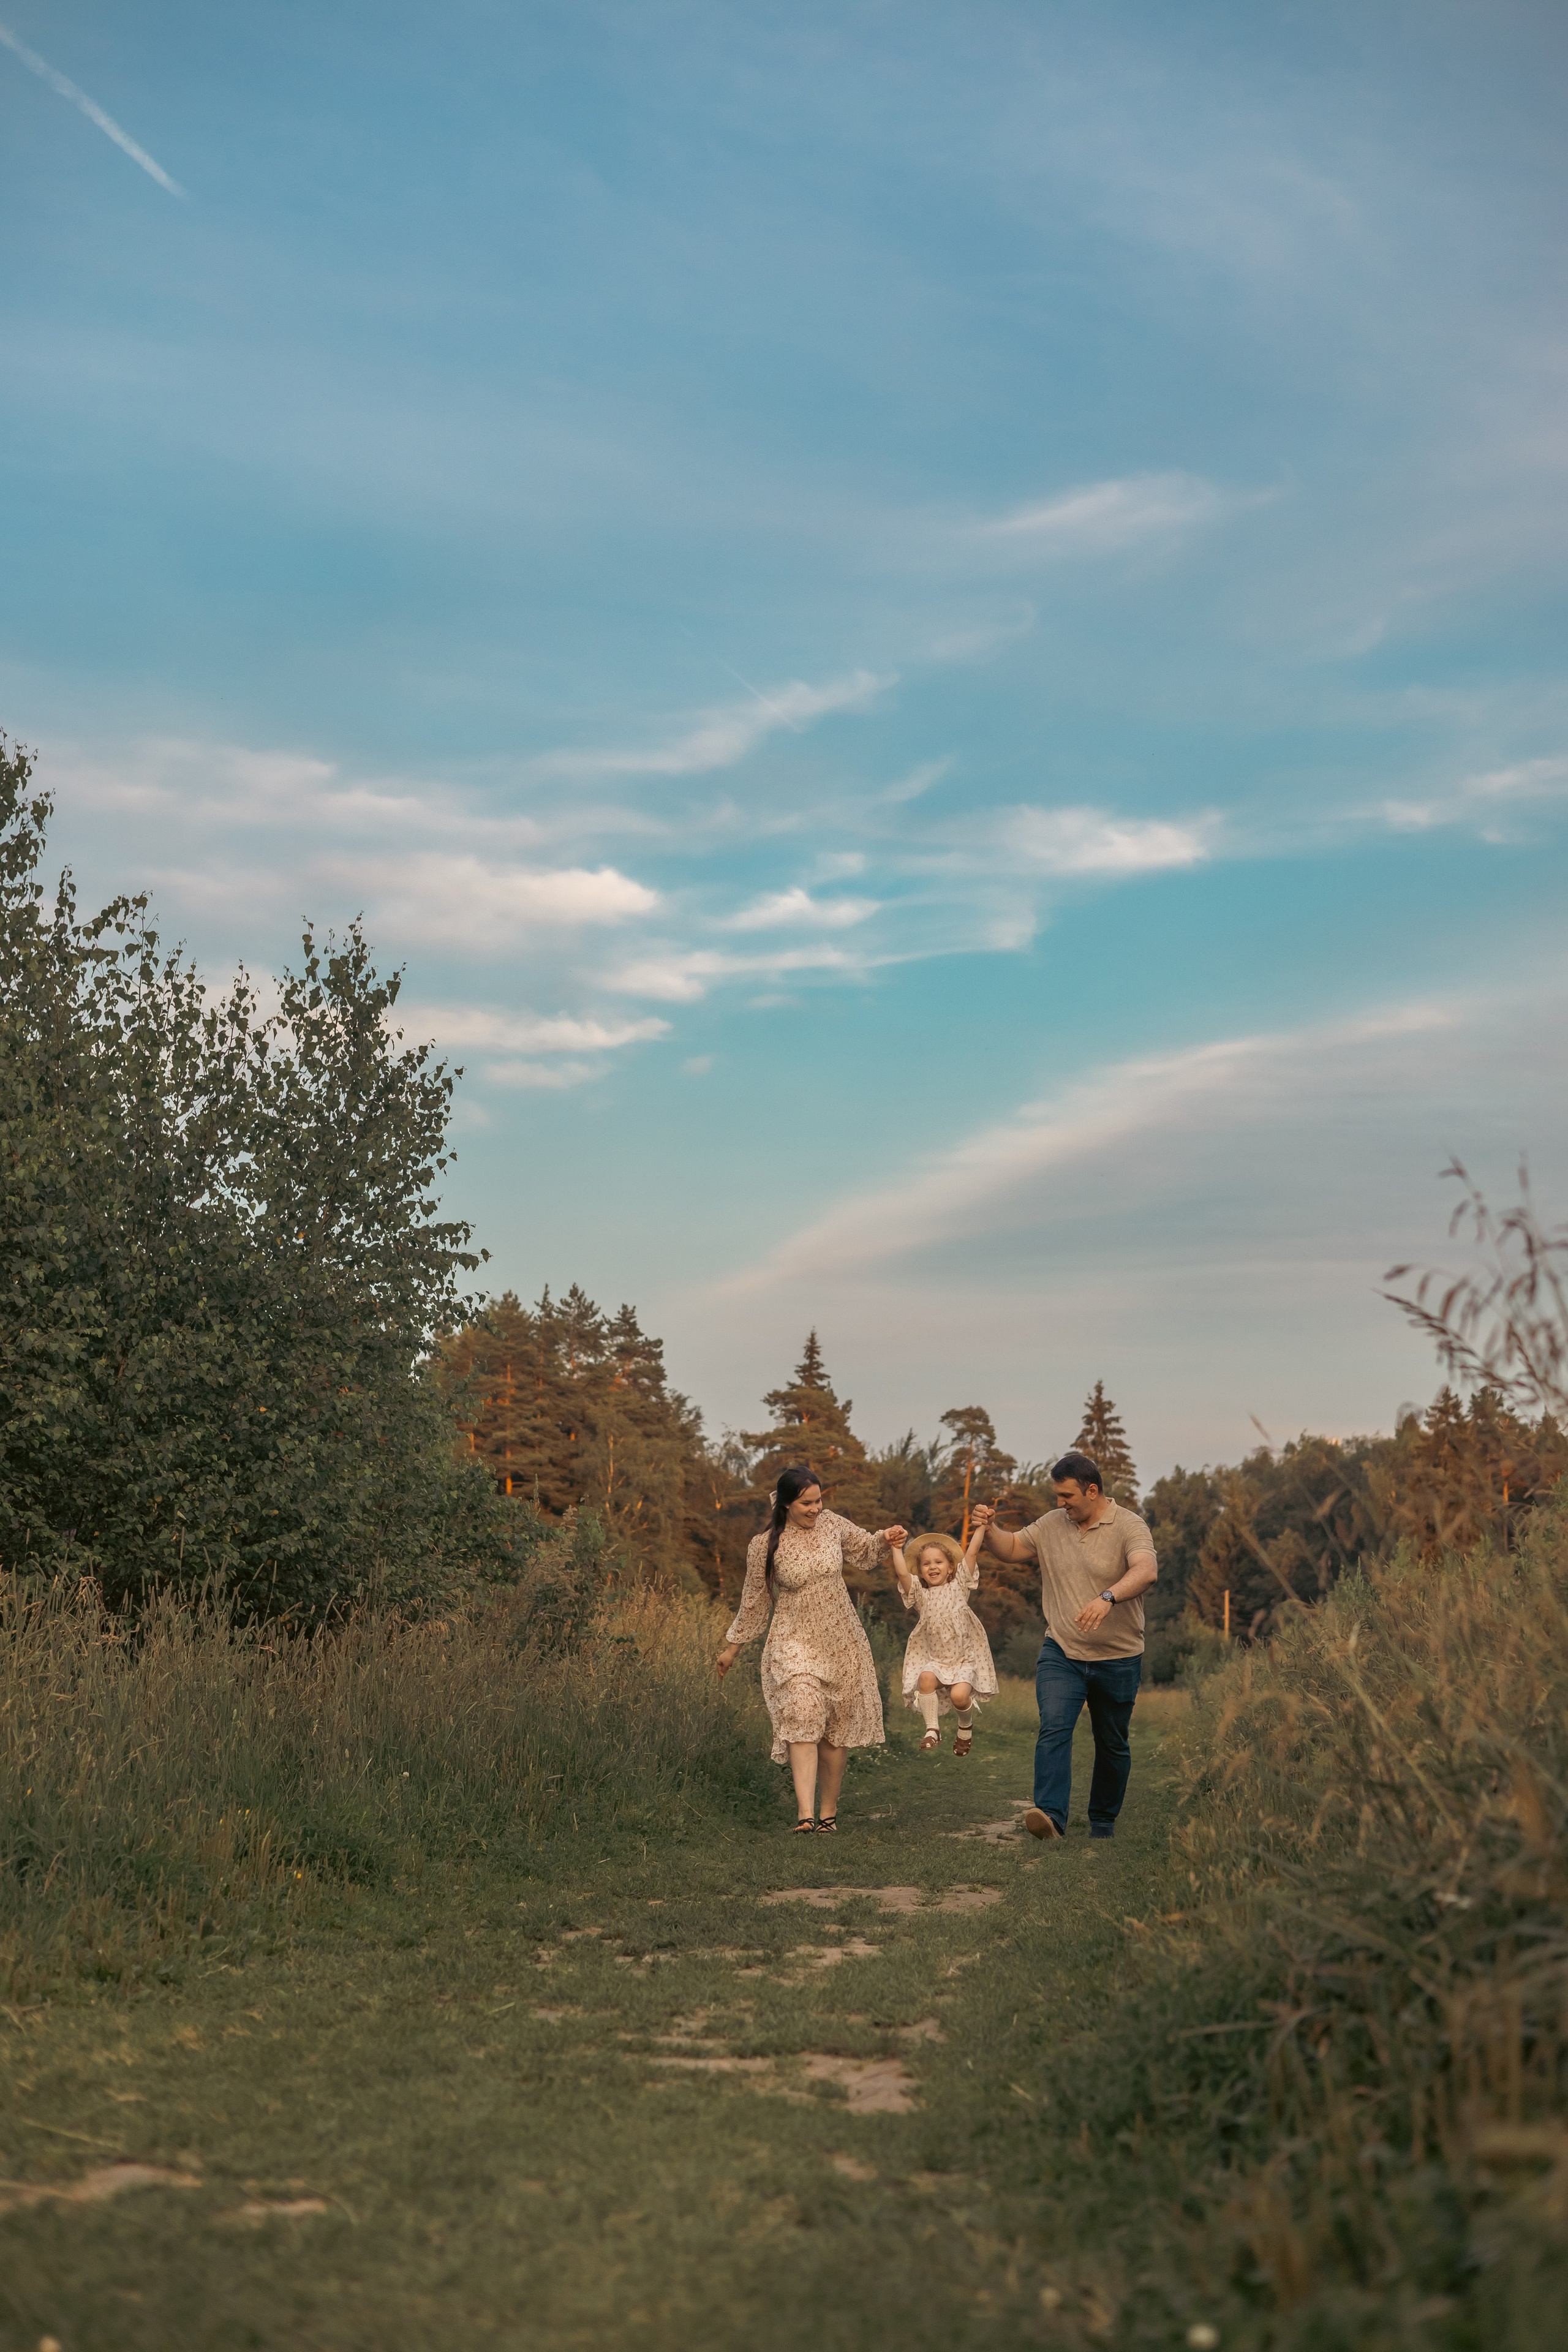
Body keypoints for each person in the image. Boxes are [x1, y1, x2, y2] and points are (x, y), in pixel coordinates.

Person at [972, 1450, 1157, 1841]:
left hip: (1119, 1656)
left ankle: (1103, 1822)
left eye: (1067, 1497)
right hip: (1062, 1651)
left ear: (1092, 1491)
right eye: (1057, 1497)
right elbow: (1011, 1549)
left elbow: (1146, 1571)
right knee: (1054, 1727)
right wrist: (989, 1529)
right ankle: (1051, 1819)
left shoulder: (1130, 1525)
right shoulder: (1052, 1524)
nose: (1060, 1505)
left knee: (1112, 1742)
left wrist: (1108, 1598)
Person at [715, 1466, 907, 1834]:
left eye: (819, 1500)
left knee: (835, 1728)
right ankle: (805, 1815)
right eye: (807, 1503)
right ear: (787, 1503)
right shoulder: (764, 1545)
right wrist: (732, 1650)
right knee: (802, 1714)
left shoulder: (832, 1524)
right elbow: (754, 1601)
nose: (816, 1508)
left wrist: (887, 1536)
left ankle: (828, 1815)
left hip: (840, 1639)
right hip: (793, 1641)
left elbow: (865, 1549)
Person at [889, 1526, 997, 1755]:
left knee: (960, 1697)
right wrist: (896, 1548)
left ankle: (965, 1729)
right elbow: (901, 1574)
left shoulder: (959, 1586)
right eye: (926, 1564)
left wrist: (981, 1527)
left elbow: (972, 1554)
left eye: (938, 1562)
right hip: (936, 1660)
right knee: (925, 1679)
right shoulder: (920, 1595)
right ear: (920, 1571)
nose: (932, 1567)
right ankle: (932, 1730)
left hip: (963, 1661)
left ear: (951, 1567)